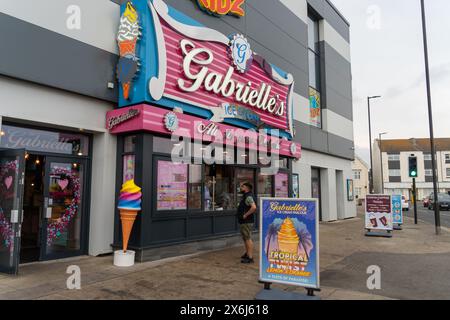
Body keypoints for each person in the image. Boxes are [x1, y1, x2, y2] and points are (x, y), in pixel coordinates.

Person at [237, 182, 257, 264]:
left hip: (246, 221)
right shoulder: (246, 196)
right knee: (245, 238)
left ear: (247, 188)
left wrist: (245, 215)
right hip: (244, 221)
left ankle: (250, 257)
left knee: (248, 238)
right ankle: (247, 253)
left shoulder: (248, 196)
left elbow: (254, 207)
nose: (241, 187)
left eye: (242, 186)